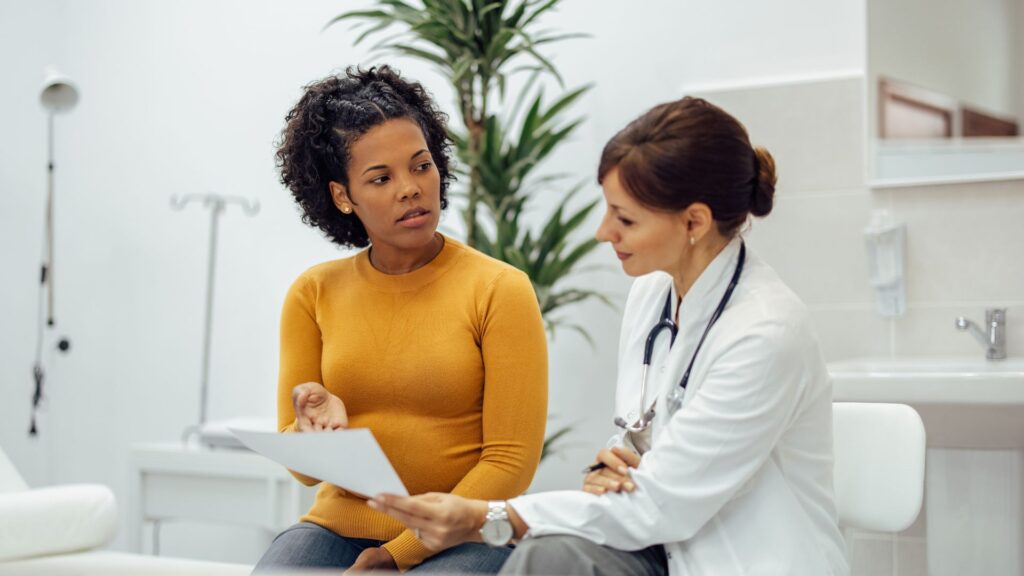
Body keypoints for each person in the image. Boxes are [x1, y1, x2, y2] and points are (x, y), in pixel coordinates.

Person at [370, 96, 851, 576]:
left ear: (694, 222)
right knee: (549, 557)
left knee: (544, 556)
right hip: (661, 547)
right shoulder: (652, 294)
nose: (603, 232)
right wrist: (609, 468)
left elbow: (661, 504)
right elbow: (636, 443)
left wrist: (484, 517)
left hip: (743, 561)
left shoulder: (764, 334)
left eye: (624, 218)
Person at [252, 66, 549, 574]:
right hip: (338, 526)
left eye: (421, 166)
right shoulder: (313, 292)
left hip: (464, 533)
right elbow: (301, 471)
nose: (411, 189)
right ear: (344, 196)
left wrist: (397, 556)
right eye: (381, 178)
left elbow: (509, 464)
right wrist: (312, 432)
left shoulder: (499, 289)